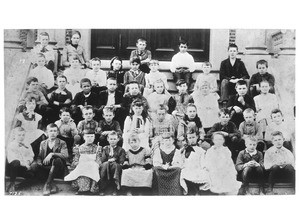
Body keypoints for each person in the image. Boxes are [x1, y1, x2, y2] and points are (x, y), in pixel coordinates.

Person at [30, 123, 69, 196]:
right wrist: (39, 162)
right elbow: (39, 156)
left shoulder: (62, 143)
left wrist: (52, 154)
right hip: (46, 168)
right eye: (51, 131)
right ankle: (52, 184)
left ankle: (47, 185)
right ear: (47, 133)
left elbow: (65, 155)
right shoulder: (43, 143)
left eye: (55, 131)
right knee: (34, 166)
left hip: (58, 168)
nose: (53, 133)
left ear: (57, 133)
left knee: (57, 160)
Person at [64, 130, 102, 195]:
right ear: (84, 137)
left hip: (93, 168)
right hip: (82, 168)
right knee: (83, 168)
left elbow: (98, 160)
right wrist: (77, 163)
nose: (90, 138)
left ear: (94, 137)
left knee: (93, 166)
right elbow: (75, 160)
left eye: (92, 136)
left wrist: (96, 164)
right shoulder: (79, 148)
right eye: (88, 136)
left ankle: (93, 188)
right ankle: (83, 188)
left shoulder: (97, 148)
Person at [179, 128, 210, 195]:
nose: (192, 139)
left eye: (193, 137)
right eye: (189, 138)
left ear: (197, 137)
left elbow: (203, 161)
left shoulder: (200, 150)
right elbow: (181, 160)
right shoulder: (184, 150)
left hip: (197, 168)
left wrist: (204, 167)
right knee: (184, 175)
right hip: (187, 168)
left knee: (203, 175)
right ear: (187, 139)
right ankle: (191, 191)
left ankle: (198, 191)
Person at [5, 127, 35, 193]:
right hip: (13, 168)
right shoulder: (11, 145)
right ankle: (12, 183)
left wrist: (28, 161)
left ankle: (19, 186)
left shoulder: (27, 144)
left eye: (23, 135)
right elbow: (12, 159)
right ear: (14, 135)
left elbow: (31, 155)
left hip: (23, 168)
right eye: (19, 135)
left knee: (32, 175)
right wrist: (25, 164)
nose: (21, 137)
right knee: (16, 162)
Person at [99, 131, 126, 195]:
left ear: (118, 139)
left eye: (114, 139)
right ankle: (103, 188)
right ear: (108, 139)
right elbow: (103, 159)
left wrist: (115, 160)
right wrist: (109, 160)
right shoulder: (105, 148)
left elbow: (121, 160)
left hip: (116, 165)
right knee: (105, 165)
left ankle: (115, 188)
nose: (113, 141)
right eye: (111, 139)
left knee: (115, 166)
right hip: (106, 164)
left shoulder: (121, 149)